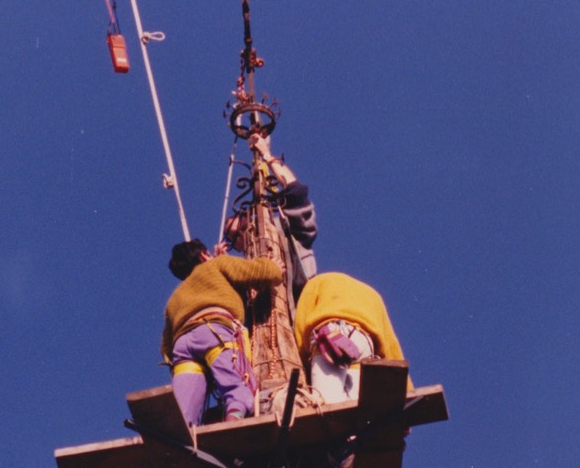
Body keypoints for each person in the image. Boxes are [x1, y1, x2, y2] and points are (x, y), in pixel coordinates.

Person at [163, 238, 282, 425]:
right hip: (214, 332)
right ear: (203, 255)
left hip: (182, 345)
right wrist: (274, 267)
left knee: (184, 406)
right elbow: (258, 272)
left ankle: (178, 433)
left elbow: (166, 346)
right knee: (237, 387)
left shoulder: (174, 298)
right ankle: (234, 415)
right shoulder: (216, 265)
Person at [292, 271, 411, 403]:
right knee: (354, 412)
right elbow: (390, 345)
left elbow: (301, 326)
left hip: (330, 337)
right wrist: (408, 391)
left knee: (328, 407)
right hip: (364, 345)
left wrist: (304, 365)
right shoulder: (373, 295)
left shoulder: (315, 283)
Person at [224, 133, 318, 298]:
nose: (241, 235)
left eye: (243, 227)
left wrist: (266, 155)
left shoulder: (287, 227)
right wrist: (219, 263)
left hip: (304, 307)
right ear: (237, 247)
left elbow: (295, 191)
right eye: (233, 238)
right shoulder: (247, 275)